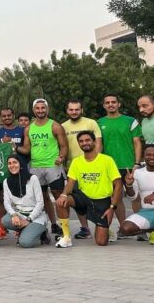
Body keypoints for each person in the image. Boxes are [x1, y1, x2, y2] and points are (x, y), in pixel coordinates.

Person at [55, 131, 122, 247]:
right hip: (83, 198)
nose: (84, 143)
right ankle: (66, 237)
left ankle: (106, 230)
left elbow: (118, 184)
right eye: (81, 141)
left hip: (102, 201)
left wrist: (112, 207)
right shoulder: (76, 161)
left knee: (101, 242)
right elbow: (70, 183)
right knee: (61, 202)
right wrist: (64, 194)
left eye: (87, 140)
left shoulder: (107, 160)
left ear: (94, 142)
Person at [17, 98, 68, 240]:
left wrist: (61, 157)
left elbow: (64, 146)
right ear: (33, 111)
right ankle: (44, 227)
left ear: (47, 109)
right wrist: (15, 147)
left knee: (59, 197)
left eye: (43, 108)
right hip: (35, 167)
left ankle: (64, 230)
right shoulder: (29, 128)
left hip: (53, 166)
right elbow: (27, 150)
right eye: (37, 108)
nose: (40, 110)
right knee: (41, 199)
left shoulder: (55, 126)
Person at [98, 93, 142, 238]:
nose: (111, 104)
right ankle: (124, 228)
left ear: (119, 104)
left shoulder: (130, 121)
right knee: (116, 199)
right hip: (110, 167)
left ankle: (142, 228)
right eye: (107, 102)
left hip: (129, 166)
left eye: (113, 102)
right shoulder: (99, 123)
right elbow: (99, 145)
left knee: (135, 197)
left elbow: (137, 142)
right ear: (104, 105)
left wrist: (136, 163)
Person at [61, 99, 102, 239]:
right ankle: (85, 229)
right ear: (67, 111)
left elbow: (98, 144)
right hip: (73, 169)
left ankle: (102, 226)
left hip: (93, 167)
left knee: (97, 199)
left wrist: (96, 163)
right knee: (78, 201)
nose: (74, 112)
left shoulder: (91, 123)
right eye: (71, 109)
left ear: (82, 110)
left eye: (77, 109)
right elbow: (62, 147)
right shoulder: (63, 126)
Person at [1, 155, 50, 248]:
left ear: (21, 164)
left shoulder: (33, 179)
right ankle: (28, 231)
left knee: (25, 243)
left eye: (15, 162)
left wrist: (29, 220)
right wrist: (14, 214)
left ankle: (42, 231)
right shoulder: (6, 181)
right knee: (5, 220)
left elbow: (40, 203)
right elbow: (6, 202)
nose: (12, 165)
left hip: (36, 217)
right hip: (21, 215)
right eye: (9, 163)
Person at [120, 144, 154, 243]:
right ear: (144, 157)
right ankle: (153, 230)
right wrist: (129, 185)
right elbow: (133, 197)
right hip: (147, 212)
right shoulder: (138, 173)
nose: (152, 157)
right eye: (148, 155)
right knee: (125, 229)